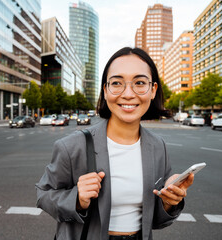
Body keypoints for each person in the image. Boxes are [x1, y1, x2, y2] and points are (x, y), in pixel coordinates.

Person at [36, 47, 194, 240]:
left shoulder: (158, 146)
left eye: (139, 83)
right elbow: (44, 195)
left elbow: (157, 221)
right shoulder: (72, 146)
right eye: (117, 83)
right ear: (105, 90)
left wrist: (170, 201)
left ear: (153, 90)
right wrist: (77, 199)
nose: (128, 93)